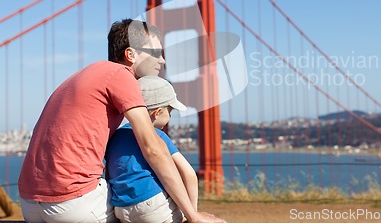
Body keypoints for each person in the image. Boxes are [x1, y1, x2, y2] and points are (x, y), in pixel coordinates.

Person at [18, 19, 226, 223]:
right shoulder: (120, 76)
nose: (162, 60)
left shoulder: (84, 75)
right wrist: (193, 215)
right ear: (130, 54)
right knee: (155, 211)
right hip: (73, 204)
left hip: (29, 204)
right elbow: (153, 148)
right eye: (156, 52)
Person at [106, 76, 197, 223]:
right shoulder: (157, 135)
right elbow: (189, 174)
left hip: (121, 208)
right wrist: (192, 214)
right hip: (152, 205)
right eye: (170, 112)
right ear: (158, 112)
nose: (170, 117)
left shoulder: (116, 136)